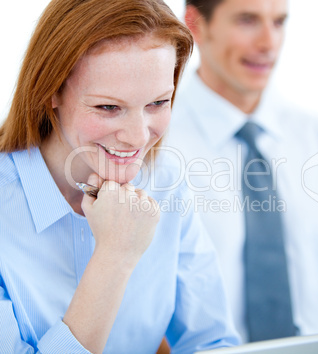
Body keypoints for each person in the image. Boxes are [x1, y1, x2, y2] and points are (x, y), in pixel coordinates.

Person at [0, 0, 241, 352]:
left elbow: (212, 341)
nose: (138, 136)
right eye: (109, 107)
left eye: (158, 103)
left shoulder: (165, 183)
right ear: (50, 90)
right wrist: (114, 257)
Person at [167, 0, 318, 343]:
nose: (268, 43)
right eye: (247, 20)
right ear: (196, 24)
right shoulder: (155, 147)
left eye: (279, 22)